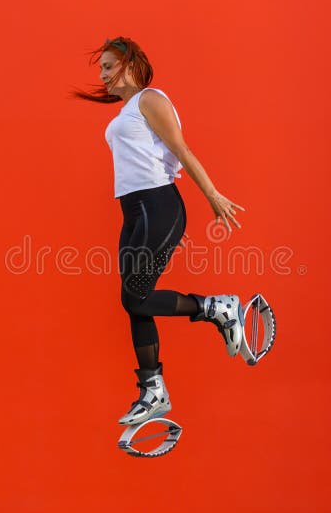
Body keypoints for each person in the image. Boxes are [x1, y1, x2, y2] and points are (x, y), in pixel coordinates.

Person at [72, 36, 248, 427]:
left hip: (157, 205)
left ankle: (217, 308)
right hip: (135, 213)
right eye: (100, 68)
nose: (101, 75)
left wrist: (213, 196)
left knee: (136, 297)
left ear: (129, 63)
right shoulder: (125, 115)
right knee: (133, 299)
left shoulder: (150, 99)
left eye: (107, 66)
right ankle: (153, 391)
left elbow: (182, 151)